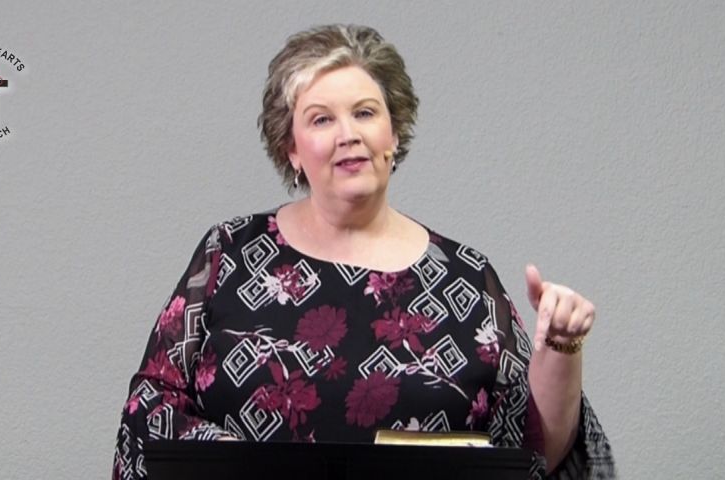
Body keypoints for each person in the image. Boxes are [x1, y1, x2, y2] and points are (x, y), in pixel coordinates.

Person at [113, 24, 615, 479]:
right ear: (292, 149)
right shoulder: (230, 254)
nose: (348, 134)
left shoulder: (466, 276)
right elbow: (148, 408)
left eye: (365, 113)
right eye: (321, 119)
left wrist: (561, 346)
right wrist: (242, 464)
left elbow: (535, 454)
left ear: (393, 133)